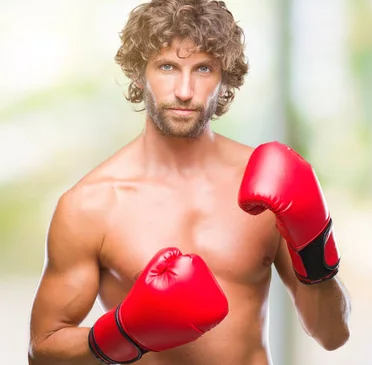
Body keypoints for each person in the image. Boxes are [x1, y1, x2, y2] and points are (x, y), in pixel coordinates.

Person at [27, 0, 351, 364]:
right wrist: (123, 332)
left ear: (224, 77)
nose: (184, 90)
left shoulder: (270, 186)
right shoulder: (91, 205)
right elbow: (43, 352)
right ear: (139, 73)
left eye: (203, 69)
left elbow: (332, 335)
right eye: (167, 66)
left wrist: (315, 251)